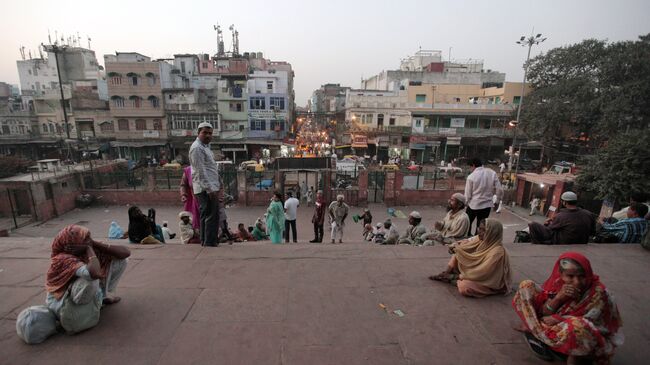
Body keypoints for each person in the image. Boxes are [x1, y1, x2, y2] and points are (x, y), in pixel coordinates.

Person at [512, 252, 623, 364]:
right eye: (570, 276)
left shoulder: (598, 293)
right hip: (553, 325)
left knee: (578, 327)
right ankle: (535, 328)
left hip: (584, 336)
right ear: (561, 274)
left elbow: (595, 324)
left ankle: (572, 356)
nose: (577, 282)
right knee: (526, 286)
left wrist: (560, 319)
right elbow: (544, 312)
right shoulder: (558, 283)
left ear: (588, 274)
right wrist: (559, 298)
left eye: (582, 276)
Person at [45, 225, 130, 333]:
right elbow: (94, 273)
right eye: (85, 239)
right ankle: (84, 308)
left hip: (75, 293)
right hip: (62, 303)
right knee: (91, 277)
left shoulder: (85, 249)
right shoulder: (62, 258)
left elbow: (126, 253)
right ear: (72, 244)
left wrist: (94, 244)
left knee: (121, 260)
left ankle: (101, 299)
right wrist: (89, 248)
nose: (88, 241)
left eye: (88, 237)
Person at [430, 219, 511, 297]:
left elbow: (482, 272)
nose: (479, 232)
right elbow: (464, 244)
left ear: (492, 233)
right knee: (459, 251)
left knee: (465, 287)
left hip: (486, 280)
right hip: (472, 273)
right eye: (479, 228)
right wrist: (455, 246)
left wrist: (456, 277)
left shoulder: (497, 252)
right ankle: (446, 274)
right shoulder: (480, 239)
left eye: (483, 230)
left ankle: (453, 279)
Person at [189, 122, 222, 247]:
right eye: (205, 133)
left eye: (210, 133)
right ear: (198, 133)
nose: (208, 135)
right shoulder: (197, 148)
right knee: (211, 215)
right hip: (206, 188)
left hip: (208, 186)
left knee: (206, 214)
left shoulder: (205, 147)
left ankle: (205, 240)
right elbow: (200, 171)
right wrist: (209, 189)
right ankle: (209, 241)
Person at [529, 191, 595, 245]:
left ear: (564, 202)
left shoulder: (561, 216)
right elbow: (592, 232)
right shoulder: (589, 214)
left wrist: (547, 224)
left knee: (532, 224)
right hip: (582, 242)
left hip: (564, 242)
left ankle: (536, 245)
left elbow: (549, 231)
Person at [464, 157, 503, 235]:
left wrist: (465, 203)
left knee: (467, 224)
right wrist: (497, 201)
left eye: (470, 167)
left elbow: (468, 195)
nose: (470, 169)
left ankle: (468, 239)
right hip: (486, 205)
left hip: (473, 205)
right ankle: (478, 241)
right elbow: (499, 189)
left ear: (473, 165)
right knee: (481, 226)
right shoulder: (492, 173)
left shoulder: (471, 177)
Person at [180, 165, 200, 230]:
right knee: (197, 221)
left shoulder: (207, 167)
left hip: (208, 199)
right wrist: (183, 194)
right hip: (196, 200)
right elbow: (183, 185)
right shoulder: (188, 170)